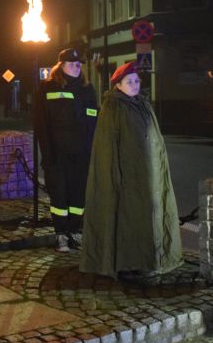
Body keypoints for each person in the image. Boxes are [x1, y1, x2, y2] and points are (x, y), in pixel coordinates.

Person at [80, 61, 183, 280]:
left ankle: (150, 260)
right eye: (129, 82)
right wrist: (117, 176)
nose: (135, 85)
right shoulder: (113, 108)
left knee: (148, 216)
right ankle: (128, 264)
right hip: (127, 175)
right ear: (118, 85)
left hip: (148, 172)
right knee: (129, 218)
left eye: (136, 81)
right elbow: (107, 146)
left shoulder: (143, 104)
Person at [34, 47, 98, 252]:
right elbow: (41, 124)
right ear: (60, 65)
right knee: (59, 196)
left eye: (79, 64)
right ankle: (61, 234)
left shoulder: (87, 89)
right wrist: (48, 154)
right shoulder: (47, 87)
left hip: (82, 154)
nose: (76, 67)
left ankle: (75, 232)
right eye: (72, 64)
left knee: (78, 197)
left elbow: (94, 121)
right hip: (57, 154)